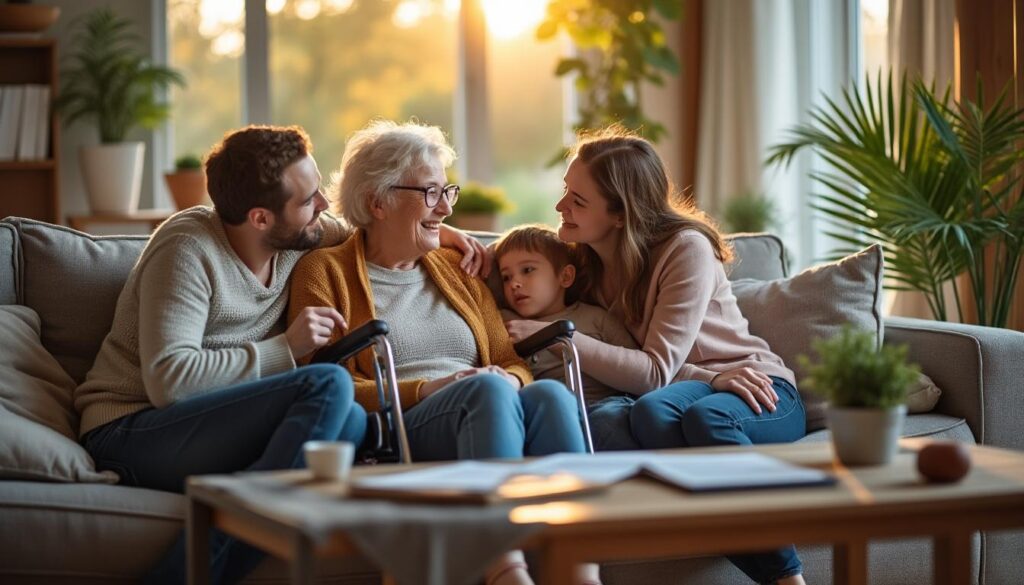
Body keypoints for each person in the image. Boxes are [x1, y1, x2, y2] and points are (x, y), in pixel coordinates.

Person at [73, 125, 488, 585]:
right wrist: (286, 348)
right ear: (260, 218)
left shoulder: (300, 235)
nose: (324, 207)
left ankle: (237, 519)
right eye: (309, 200)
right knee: (327, 384)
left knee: (348, 423)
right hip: (134, 428)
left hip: (212, 422)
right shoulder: (187, 249)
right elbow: (169, 381)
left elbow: (368, 220)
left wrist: (439, 228)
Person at [288, 120, 588, 585]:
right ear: (378, 202)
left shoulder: (459, 269)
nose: (447, 207)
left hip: (487, 404)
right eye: (430, 193)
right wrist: (429, 388)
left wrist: (512, 379)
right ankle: (503, 568)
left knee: (551, 398)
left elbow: (509, 361)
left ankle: (580, 570)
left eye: (446, 189)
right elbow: (326, 388)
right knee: (486, 390)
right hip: (403, 425)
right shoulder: (323, 272)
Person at [504, 126, 807, 585]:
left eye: (577, 200)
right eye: (566, 191)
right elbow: (516, 258)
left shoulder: (686, 250)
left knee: (704, 420)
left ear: (621, 214)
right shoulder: (583, 262)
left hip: (757, 390)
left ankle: (788, 579)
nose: (560, 207)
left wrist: (559, 336)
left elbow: (652, 371)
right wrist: (451, 239)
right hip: (684, 392)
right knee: (628, 418)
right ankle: (713, 506)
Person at [493, 225, 639, 438]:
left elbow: (634, 367)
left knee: (610, 420)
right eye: (506, 277)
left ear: (565, 276)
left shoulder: (596, 317)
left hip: (608, 405)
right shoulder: (507, 323)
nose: (514, 283)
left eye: (527, 270)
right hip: (550, 412)